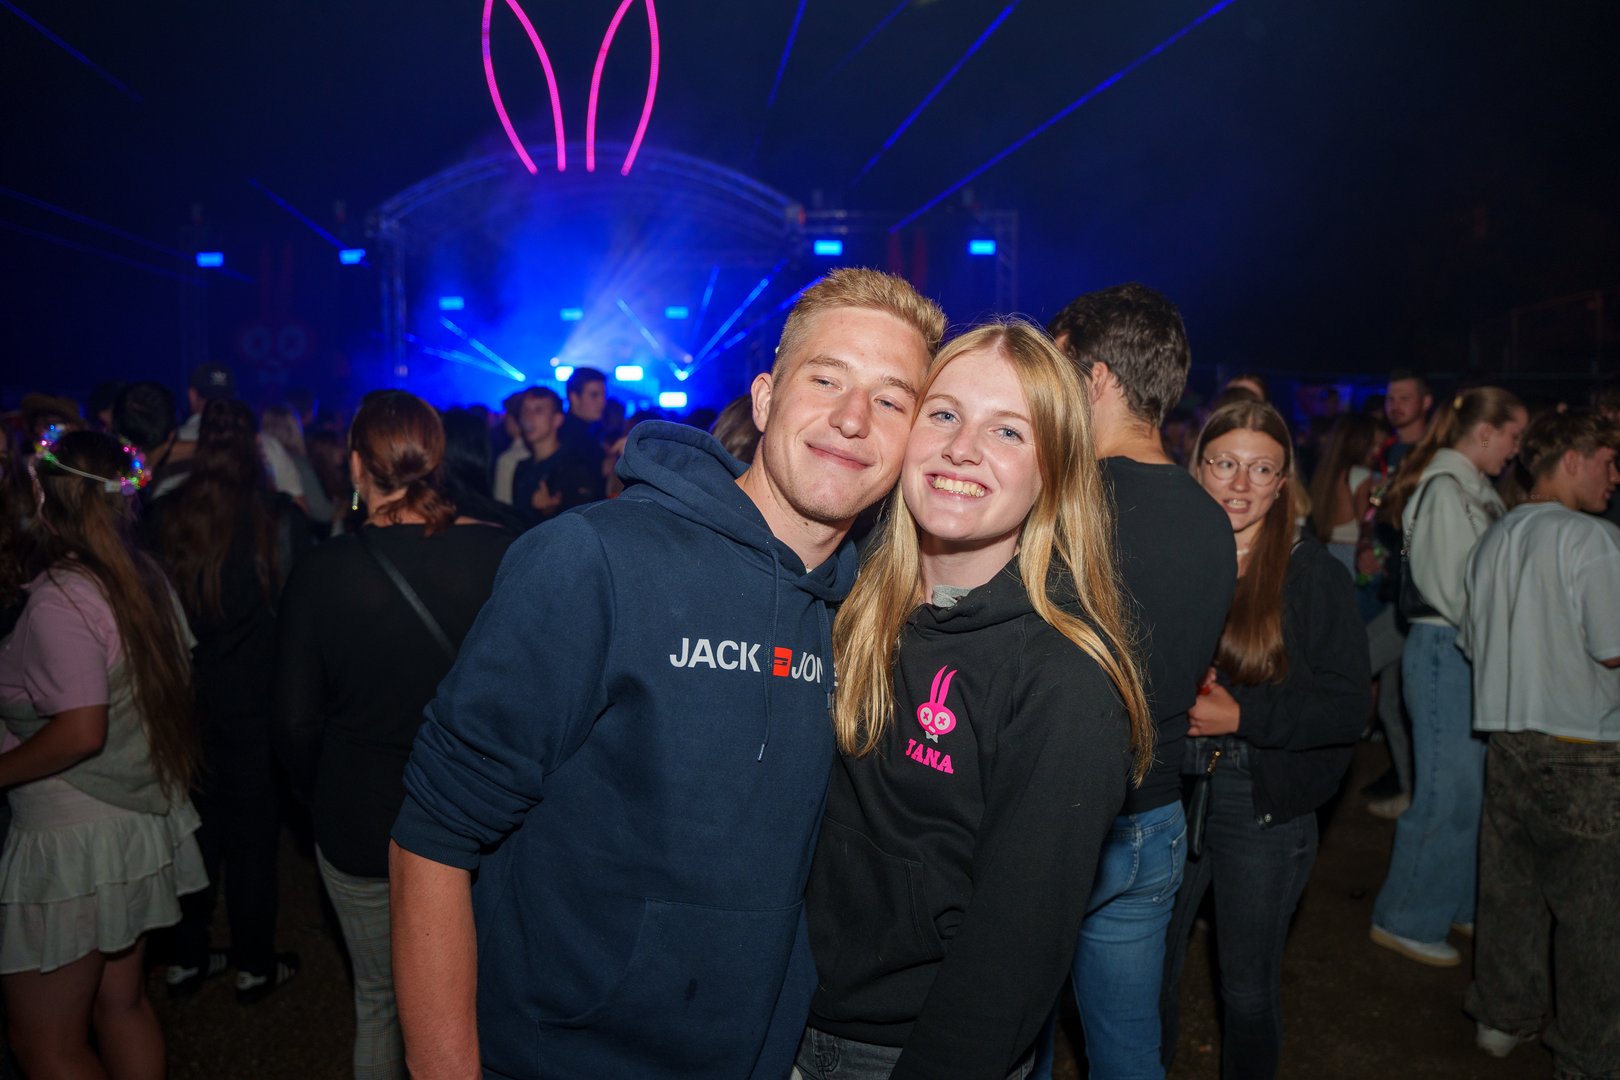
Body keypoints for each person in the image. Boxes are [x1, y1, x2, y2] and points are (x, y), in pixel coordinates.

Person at [388, 267, 943, 1080]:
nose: (853, 418)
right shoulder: (594, 560)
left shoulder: (867, 612)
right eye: (826, 379)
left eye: (891, 401)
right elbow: (434, 838)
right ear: (765, 400)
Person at [796, 321, 1150, 1080]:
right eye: (945, 414)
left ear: (1055, 472)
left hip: (906, 1048)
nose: (962, 448)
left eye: (1008, 431)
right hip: (781, 1007)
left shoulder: (1064, 682)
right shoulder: (849, 601)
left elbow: (1014, 955)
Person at [274, 390, 513, 1079]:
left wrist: (315, 798)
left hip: (363, 817)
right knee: (481, 997)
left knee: (382, 999)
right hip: (477, 817)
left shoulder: (323, 571)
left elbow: (292, 721)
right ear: (434, 458)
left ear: (356, 466)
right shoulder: (501, 553)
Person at [1032, 283, 1236, 1080]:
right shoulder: (1212, 517)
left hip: (1062, 819)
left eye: (1058, 368)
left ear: (1096, 378)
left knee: (1014, 1034)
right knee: (1128, 1050)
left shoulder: (1071, 505)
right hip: (1157, 819)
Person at [1159, 401, 1369, 1080]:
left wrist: (1242, 716)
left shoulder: (1312, 574)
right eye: (1225, 463)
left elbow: (1346, 709)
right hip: (1165, 790)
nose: (1241, 484)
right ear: (1198, 467)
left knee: (1246, 989)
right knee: (1147, 974)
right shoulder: (1171, 555)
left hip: (1260, 802)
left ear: (1283, 484)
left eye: (1261, 469)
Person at [0, 429, 207, 1078]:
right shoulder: (145, 578)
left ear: (45, 498)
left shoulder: (62, 599)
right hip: (132, 821)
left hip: (74, 839)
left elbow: (82, 730)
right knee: (122, 1004)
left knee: (46, 1045)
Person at [1457, 409, 1620, 1075]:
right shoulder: (1593, 539)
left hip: (1507, 738)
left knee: (1510, 891)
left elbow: (1474, 644)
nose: (1616, 477)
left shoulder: (1493, 539)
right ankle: (1588, 1054)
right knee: (1594, 914)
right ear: (1573, 460)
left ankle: (1502, 1016)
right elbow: (1612, 649)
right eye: (1609, 462)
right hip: (1585, 746)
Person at [149, 398, 309, 1004]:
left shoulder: (163, 515)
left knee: (194, 829)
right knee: (252, 838)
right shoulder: (274, 516)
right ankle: (253, 964)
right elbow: (297, 620)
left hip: (185, 701)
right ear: (254, 447)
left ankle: (188, 958)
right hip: (254, 703)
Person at [1369, 386, 1526, 965]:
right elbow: (1449, 587)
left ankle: (1453, 901)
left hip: (1460, 648)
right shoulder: (1445, 490)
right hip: (1445, 646)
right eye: (1513, 435)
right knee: (1445, 790)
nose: (1517, 448)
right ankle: (1405, 916)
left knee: (1468, 790)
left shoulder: (1472, 489)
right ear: (1485, 432)